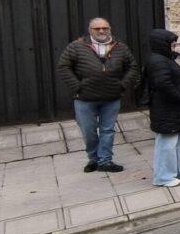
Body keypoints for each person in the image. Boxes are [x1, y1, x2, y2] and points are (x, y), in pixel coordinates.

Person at [57, 17, 138, 173]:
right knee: (89, 131)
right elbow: (63, 66)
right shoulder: (76, 46)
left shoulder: (120, 47)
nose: (101, 31)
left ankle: (105, 161)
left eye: (105, 28)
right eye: (97, 28)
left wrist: (122, 85)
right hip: (85, 98)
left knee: (107, 130)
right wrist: (77, 86)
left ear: (110, 29)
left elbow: (132, 67)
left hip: (111, 97)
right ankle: (93, 159)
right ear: (90, 30)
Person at [144, 29, 180, 187]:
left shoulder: (165, 58)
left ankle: (177, 169)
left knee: (178, 141)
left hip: (174, 109)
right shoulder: (158, 61)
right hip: (166, 109)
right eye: (172, 44)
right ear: (162, 44)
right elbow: (163, 84)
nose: (174, 46)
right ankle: (163, 177)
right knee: (166, 144)